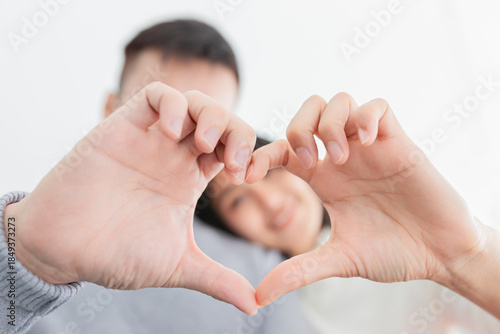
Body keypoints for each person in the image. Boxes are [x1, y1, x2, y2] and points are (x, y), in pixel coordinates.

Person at [0, 20, 312, 334]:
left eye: (205, 119)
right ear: (112, 109)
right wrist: (28, 263)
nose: (183, 135)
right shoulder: (34, 232)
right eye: (159, 109)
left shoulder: (257, 272)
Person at [196, 93, 500, 333]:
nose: (270, 201)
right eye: (237, 201)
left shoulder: (400, 246)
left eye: (269, 173)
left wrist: (465, 256)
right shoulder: (270, 307)